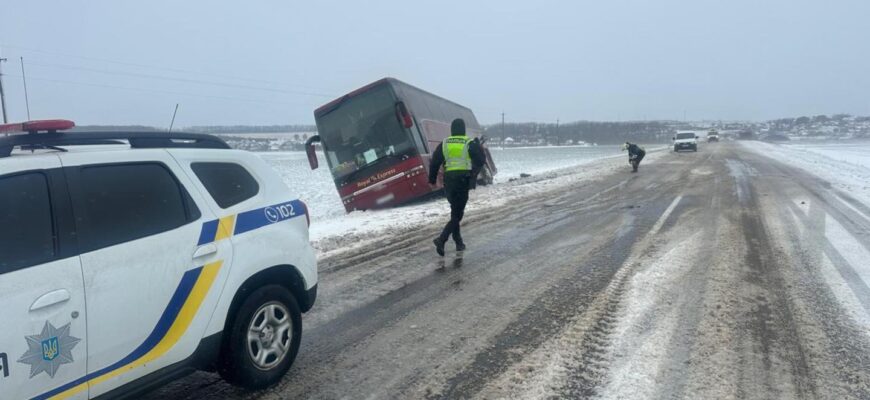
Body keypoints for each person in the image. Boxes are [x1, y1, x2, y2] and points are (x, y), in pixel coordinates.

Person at [428, 118, 486, 256]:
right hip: (462, 181)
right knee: (458, 214)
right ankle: (442, 239)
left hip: (448, 182)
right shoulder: (468, 143)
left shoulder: (444, 143)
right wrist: (473, 171)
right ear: (463, 129)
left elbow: (435, 162)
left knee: (455, 211)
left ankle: (459, 242)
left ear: (452, 130)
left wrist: (432, 179)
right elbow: (481, 160)